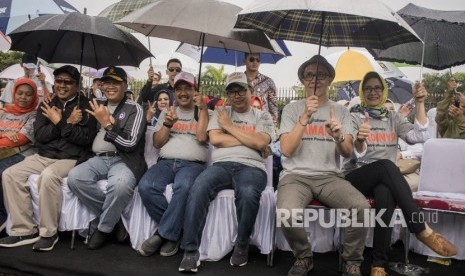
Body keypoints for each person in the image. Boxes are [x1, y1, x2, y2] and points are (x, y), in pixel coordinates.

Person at [345, 71, 457, 276]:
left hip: (385, 177)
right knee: (387, 165)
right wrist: (360, 138)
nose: (373, 92)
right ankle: (420, 227)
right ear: (362, 91)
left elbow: (418, 136)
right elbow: (352, 152)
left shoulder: (393, 117)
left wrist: (420, 102)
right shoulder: (353, 116)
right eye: (368, 88)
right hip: (356, 175)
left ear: (383, 90)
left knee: (385, 192)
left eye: (377, 88)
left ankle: (378, 265)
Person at [277, 55, 370, 276]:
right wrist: (305, 116)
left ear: (329, 79)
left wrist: (338, 136)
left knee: (361, 208)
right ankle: (303, 257)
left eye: (321, 74)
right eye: (309, 75)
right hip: (295, 176)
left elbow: (348, 152)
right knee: (286, 213)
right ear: (302, 80)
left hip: (329, 176)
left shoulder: (341, 111)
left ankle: (351, 261)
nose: (315, 79)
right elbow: (287, 150)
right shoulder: (291, 109)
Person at [178, 72, 275, 273]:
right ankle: (190, 251)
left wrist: (230, 128)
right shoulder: (221, 111)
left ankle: (242, 243)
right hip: (221, 166)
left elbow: (262, 142)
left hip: (252, 167)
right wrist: (252, 140)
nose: (237, 95)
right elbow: (216, 140)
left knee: (248, 192)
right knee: (198, 187)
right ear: (227, 95)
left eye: (241, 90)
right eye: (232, 92)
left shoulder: (262, 115)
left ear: (251, 91)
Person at [0, 65, 97, 251]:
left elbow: (85, 139)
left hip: (71, 157)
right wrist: (66, 123)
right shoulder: (47, 103)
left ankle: (49, 233)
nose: (62, 85)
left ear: (77, 85)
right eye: (59, 81)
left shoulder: (87, 106)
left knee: (48, 176)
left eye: (67, 82)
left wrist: (60, 122)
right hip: (44, 154)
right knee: (10, 174)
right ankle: (24, 229)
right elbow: (40, 135)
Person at [66, 66, 147, 250]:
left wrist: (108, 125)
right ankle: (114, 221)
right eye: (107, 82)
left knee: (120, 185)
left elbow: (130, 144)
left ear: (125, 85)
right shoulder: (96, 104)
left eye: (116, 83)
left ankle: (103, 229)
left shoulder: (135, 109)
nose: (110, 86)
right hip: (98, 158)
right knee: (75, 178)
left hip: (124, 160)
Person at [138, 72, 210, 258]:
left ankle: (163, 234)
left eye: (188, 88)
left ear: (195, 90)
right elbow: (157, 143)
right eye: (179, 89)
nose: (183, 92)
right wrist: (168, 124)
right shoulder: (167, 112)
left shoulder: (206, 113)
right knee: (146, 186)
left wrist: (202, 110)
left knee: (184, 187)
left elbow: (202, 138)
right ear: (174, 92)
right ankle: (173, 232)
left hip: (192, 165)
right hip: (166, 162)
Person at [0, 78, 39, 231]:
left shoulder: (34, 115)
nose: (23, 97)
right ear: (14, 93)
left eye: (28, 94)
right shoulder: (4, 112)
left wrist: (8, 137)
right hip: (4, 153)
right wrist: (7, 134)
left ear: (34, 96)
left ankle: (3, 215)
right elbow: (9, 140)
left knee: (2, 171)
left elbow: (20, 140)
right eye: (20, 93)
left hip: (25, 154)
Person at [244, 53, 279, 125]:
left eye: (258, 60)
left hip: (263, 124)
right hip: (242, 123)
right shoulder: (239, 81)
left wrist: (271, 127)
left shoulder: (268, 82)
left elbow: (273, 108)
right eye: (251, 59)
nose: (255, 62)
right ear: (244, 61)